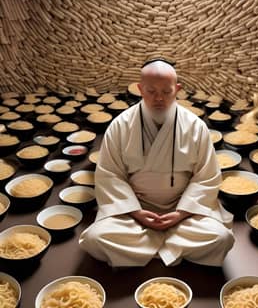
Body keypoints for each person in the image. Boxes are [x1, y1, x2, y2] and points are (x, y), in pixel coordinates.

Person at [79, 59, 234, 267]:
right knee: (94, 239)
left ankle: (143, 250)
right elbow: (110, 175)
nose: (159, 99)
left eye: (166, 91)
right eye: (151, 91)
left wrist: (181, 213)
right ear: (140, 89)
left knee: (221, 238)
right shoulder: (120, 125)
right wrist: (136, 212)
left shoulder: (195, 126)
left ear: (177, 89)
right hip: (133, 211)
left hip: (185, 210)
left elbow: (206, 177)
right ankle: (174, 247)